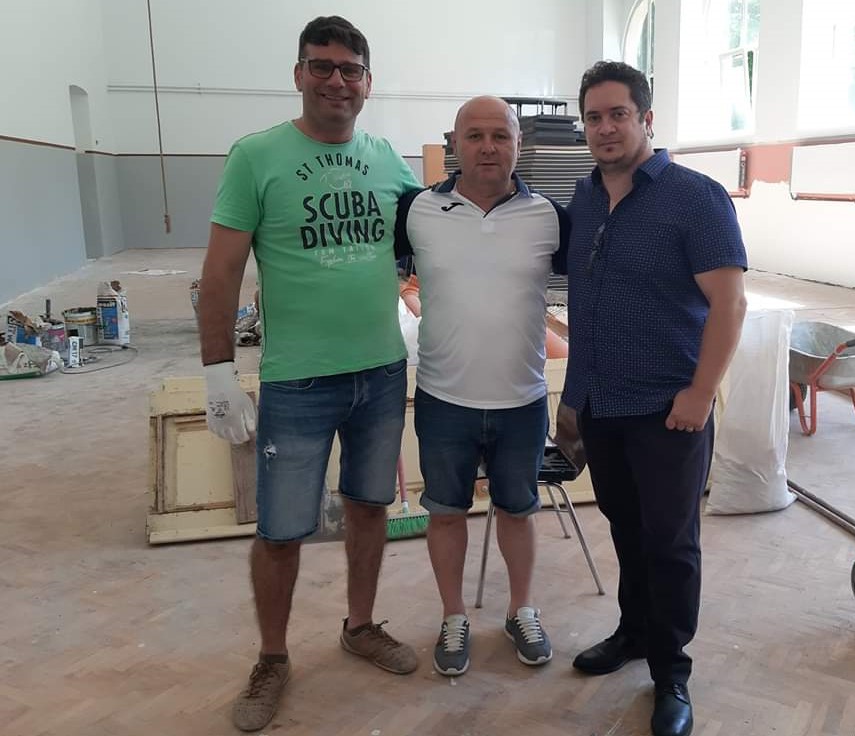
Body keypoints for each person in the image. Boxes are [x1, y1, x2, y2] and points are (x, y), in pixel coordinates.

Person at [198, 16, 421, 732]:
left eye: (350, 69)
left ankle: (360, 626)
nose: (336, 80)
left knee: (369, 507)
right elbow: (220, 273)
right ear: (298, 75)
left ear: (368, 83)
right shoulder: (256, 156)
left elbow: (436, 235)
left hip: (380, 373)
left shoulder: (387, 160)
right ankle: (272, 657)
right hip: (298, 382)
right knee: (281, 530)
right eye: (321, 66)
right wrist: (217, 374)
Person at [556, 61, 748, 736]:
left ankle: (672, 672)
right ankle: (634, 631)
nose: (605, 128)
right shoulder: (584, 198)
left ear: (646, 119)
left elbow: (729, 303)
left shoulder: (696, 197)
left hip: (670, 409)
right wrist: (574, 398)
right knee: (624, 525)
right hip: (602, 405)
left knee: (670, 542)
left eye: (618, 114)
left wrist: (701, 392)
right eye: (594, 117)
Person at [393, 96, 569, 677]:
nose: (488, 147)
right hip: (445, 400)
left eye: (501, 135)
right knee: (446, 514)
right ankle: (453, 616)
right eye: (475, 135)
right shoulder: (417, 211)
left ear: (519, 144)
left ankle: (522, 610)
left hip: (522, 401)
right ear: (455, 144)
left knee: (519, 510)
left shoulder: (549, 217)